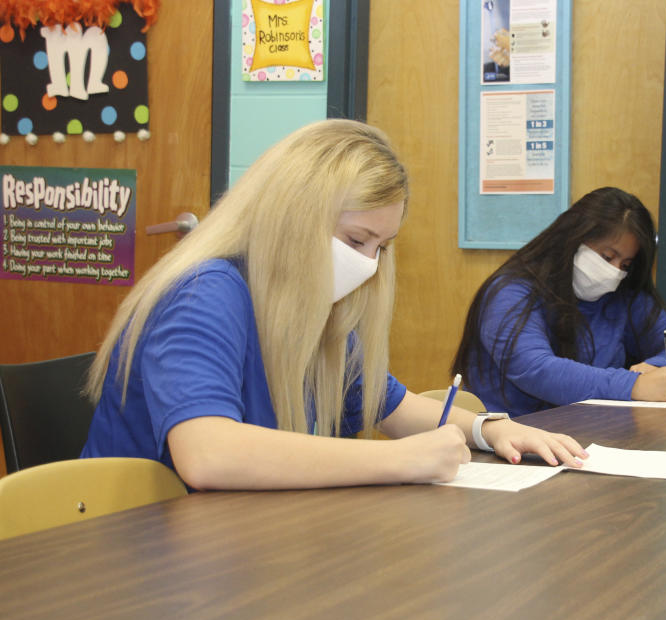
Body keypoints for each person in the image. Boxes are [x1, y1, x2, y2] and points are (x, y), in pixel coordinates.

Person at [81, 119, 585, 490]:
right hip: (136, 558)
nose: (368, 263)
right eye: (356, 239)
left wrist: (489, 428)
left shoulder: (312, 307)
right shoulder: (204, 294)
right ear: (294, 217)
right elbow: (209, 455)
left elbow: (390, 406)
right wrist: (401, 461)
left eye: (381, 248)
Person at [452, 186, 666, 417]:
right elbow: (537, 370)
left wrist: (653, 369)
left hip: (589, 431)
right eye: (607, 256)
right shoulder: (510, 292)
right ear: (573, 238)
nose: (614, 272)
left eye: (625, 265)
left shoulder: (623, 295)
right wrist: (633, 385)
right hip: (510, 437)